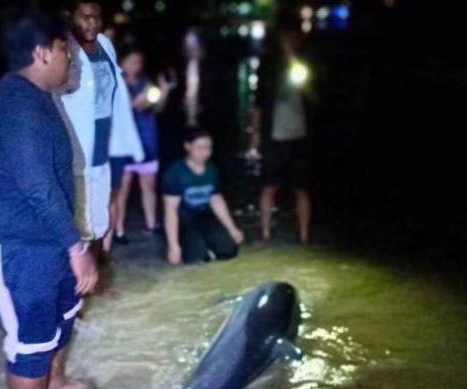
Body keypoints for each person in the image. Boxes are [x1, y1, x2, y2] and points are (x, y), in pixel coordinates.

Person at [0, 11, 97, 389]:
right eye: (65, 50)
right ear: (42, 52)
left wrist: (69, 241)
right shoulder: (18, 104)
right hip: (11, 244)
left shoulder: (35, 94)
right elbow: (38, 188)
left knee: (66, 309)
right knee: (31, 339)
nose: (71, 59)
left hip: (46, 235)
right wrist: (77, 248)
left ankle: (54, 383)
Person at [60, 1, 144, 256]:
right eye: (84, 17)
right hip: (75, 148)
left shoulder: (105, 45)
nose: (92, 23)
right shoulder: (63, 49)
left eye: (96, 17)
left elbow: (116, 98)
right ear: (70, 16)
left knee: (99, 216)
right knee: (78, 219)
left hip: (105, 143)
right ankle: (77, 272)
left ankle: (95, 266)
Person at [248, 29, 314, 244]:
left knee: (302, 188)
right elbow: (257, 105)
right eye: (286, 40)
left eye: (293, 39)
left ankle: (304, 237)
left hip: (300, 138)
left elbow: (310, 92)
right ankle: (265, 233)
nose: (289, 43)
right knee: (269, 186)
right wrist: (255, 135)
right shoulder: (268, 69)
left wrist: (293, 59)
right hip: (274, 137)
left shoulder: (304, 65)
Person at [110, 49, 171, 244]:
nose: (136, 65)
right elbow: (117, 110)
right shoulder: (114, 81)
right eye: (132, 61)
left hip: (147, 140)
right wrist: (135, 103)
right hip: (124, 143)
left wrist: (164, 91)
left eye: (139, 61)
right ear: (122, 61)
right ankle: (118, 229)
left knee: (149, 185)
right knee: (122, 188)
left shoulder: (146, 82)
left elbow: (157, 108)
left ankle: (151, 224)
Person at [163, 129, 244, 265]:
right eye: (199, 148)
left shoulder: (211, 169)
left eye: (208, 148)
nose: (204, 152)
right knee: (197, 258)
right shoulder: (174, 172)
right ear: (188, 146)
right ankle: (191, 245)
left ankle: (203, 244)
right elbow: (170, 211)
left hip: (204, 215)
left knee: (230, 251)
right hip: (183, 219)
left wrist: (232, 228)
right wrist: (173, 246)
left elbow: (216, 200)